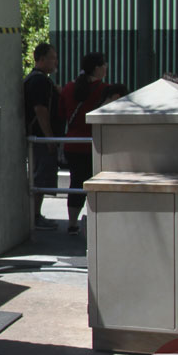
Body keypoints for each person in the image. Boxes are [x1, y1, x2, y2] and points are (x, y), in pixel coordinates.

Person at [59, 52, 109, 236]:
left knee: (76, 183)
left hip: (72, 144)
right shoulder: (105, 89)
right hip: (96, 144)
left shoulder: (68, 88)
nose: (106, 67)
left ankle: (72, 223)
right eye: (104, 64)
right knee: (98, 184)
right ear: (97, 68)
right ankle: (96, 222)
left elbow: (62, 113)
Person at [24, 43, 63, 231]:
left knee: (40, 177)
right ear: (41, 59)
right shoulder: (38, 81)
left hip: (40, 138)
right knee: (39, 178)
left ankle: (35, 215)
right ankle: (34, 217)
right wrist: (49, 138)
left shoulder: (38, 80)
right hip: (40, 139)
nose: (55, 61)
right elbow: (40, 110)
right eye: (52, 58)